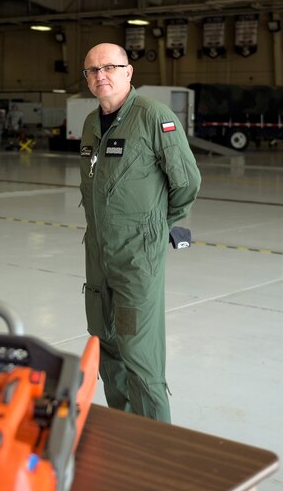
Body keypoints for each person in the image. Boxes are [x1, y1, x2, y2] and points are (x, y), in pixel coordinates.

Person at [78, 43, 201, 423]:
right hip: (99, 259)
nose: (101, 75)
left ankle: (158, 449)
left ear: (128, 72)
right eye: (92, 70)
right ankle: (124, 433)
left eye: (109, 67)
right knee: (108, 350)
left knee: (140, 356)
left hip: (136, 262)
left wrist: (155, 231)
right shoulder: (89, 123)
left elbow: (187, 182)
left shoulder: (153, 117)